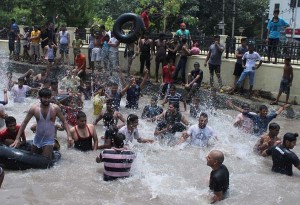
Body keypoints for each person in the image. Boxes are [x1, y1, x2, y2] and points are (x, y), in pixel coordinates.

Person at [11, 88, 72, 160]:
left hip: (49, 139)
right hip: (37, 138)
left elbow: (64, 121)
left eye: (48, 98)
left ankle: (53, 150)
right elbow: (24, 123)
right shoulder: (34, 108)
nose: (47, 100)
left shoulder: (55, 108)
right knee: (32, 160)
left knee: (44, 161)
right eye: (44, 98)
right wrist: (17, 138)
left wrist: (69, 135)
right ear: (40, 98)